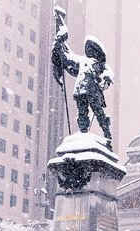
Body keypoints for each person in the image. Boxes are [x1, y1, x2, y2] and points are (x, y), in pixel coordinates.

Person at [52, 12, 115, 148]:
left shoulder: (101, 64)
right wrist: (59, 47)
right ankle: (83, 133)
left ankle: (107, 134)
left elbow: (109, 73)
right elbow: (69, 59)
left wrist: (107, 78)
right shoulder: (82, 61)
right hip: (80, 90)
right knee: (82, 113)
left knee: (98, 112)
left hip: (92, 91)